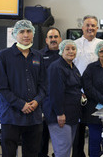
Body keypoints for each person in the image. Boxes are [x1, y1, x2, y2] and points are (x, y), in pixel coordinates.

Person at [0, 20, 46, 157]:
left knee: (32, 153)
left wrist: (36, 101)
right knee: (9, 153)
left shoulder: (38, 56)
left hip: (34, 117)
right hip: (11, 116)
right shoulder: (3, 56)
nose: (26, 35)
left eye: (29, 31)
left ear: (33, 34)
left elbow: (44, 85)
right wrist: (21, 104)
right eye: (22, 31)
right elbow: (0, 87)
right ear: (15, 34)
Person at [43, 40, 82, 157]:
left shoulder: (72, 66)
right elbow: (55, 92)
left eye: (73, 49)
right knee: (62, 151)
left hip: (72, 115)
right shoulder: (56, 67)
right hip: (60, 116)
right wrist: (59, 113)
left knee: (66, 149)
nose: (71, 51)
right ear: (61, 51)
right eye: (68, 49)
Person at [73, 15, 103, 157]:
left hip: (95, 94)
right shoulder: (74, 44)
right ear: (82, 27)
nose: (90, 28)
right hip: (77, 93)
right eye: (87, 25)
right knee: (78, 130)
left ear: (97, 28)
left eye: (93, 26)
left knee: (95, 129)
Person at [39, 27, 63, 157]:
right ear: (46, 40)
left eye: (56, 37)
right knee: (42, 138)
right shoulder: (39, 55)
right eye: (51, 37)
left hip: (61, 102)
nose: (53, 39)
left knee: (60, 140)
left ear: (60, 39)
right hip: (44, 102)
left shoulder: (66, 54)